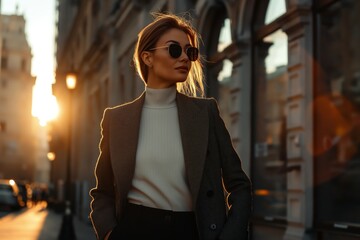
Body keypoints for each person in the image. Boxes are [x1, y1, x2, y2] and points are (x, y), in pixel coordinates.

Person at [89, 12, 252, 240]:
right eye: (175, 49)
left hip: (191, 231)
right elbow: (103, 191)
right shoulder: (117, 119)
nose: (184, 57)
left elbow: (240, 186)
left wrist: (230, 236)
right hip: (134, 229)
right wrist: (109, 233)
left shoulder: (206, 113)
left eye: (190, 51)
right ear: (147, 58)